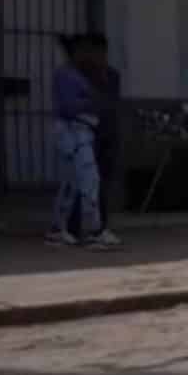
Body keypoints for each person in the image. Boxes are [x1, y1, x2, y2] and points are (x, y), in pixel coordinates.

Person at [47, 35, 121, 250]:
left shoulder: (78, 74)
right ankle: (92, 231)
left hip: (81, 131)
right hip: (75, 131)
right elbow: (69, 106)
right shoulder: (66, 75)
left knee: (72, 184)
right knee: (89, 181)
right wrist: (92, 102)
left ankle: (58, 230)